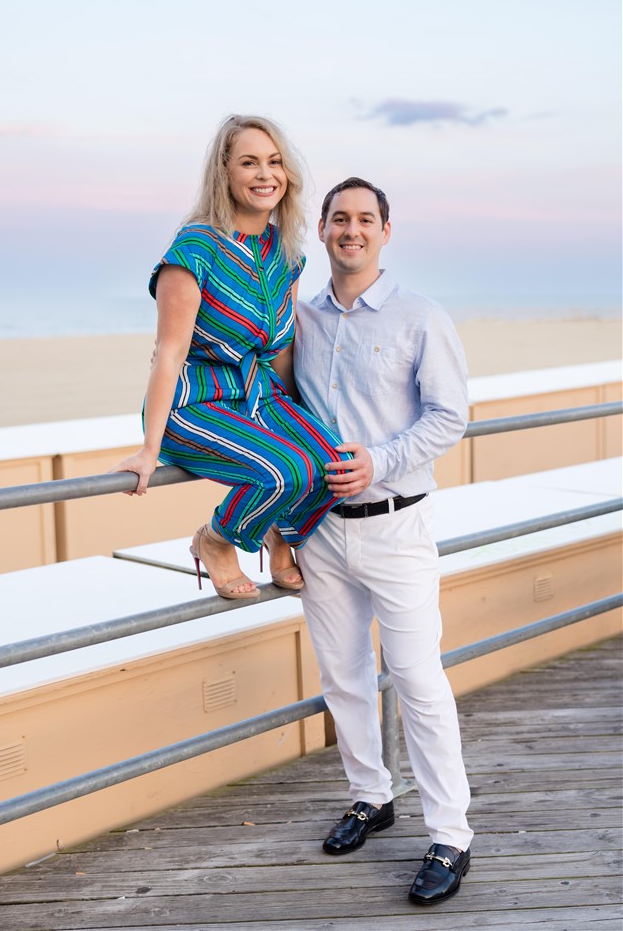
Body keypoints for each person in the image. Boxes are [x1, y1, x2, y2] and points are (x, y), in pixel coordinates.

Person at [293, 177, 473, 906]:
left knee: (417, 681)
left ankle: (451, 836)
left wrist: (379, 459)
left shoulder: (419, 316)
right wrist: (279, 527)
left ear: (385, 231)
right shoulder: (299, 322)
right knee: (340, 676)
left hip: (397, 522)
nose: (351, 230)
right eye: (339, 218)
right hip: (319, 531)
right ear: (322, 229)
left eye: (365, 219)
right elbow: (279, 419)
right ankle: (371, 795)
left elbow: (448, 417)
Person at [112, 115, 346, 599]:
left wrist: (303, 417)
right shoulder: (194, 248)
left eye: (274, 162)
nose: (265, 174)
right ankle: (214, 541)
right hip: (195, 403)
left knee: (334, 462)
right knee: (283, 470)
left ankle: (280, 533)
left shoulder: (287, 255)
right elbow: (169, 353)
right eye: (249, 162)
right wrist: (148, 449)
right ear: (225, 172)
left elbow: (279, 349)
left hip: (258, 395)